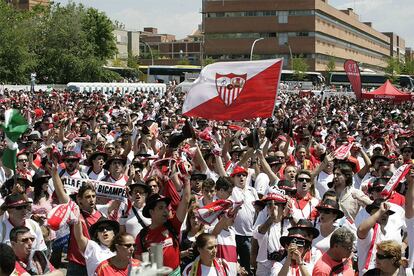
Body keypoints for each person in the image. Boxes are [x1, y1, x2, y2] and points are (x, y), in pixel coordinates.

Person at [134, 171, 191, 275]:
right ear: (151, 212)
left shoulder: (173, 225)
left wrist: (187, 182)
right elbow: (139, 263)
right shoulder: (142, 236)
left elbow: (186, 201)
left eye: (166, 207)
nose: (165, 211)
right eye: (161, 208)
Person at [356, 198, 399, 274]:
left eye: (387, 213)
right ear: (372, 214)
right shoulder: (370, 232)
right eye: (381, 211)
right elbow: (361, 230)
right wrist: (380, 211)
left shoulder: (391, 233)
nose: (385, 214)